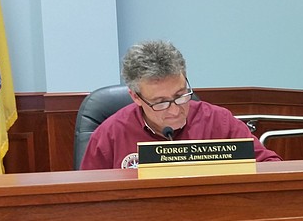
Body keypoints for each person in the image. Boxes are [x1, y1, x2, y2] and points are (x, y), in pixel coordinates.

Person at [80, 40, 281, 169]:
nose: (175, 110)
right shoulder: (110, 134)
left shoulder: (218, 122)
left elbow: (271, 168)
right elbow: (87, 194)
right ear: (136, 97)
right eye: (160, 102)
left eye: (180, 95)